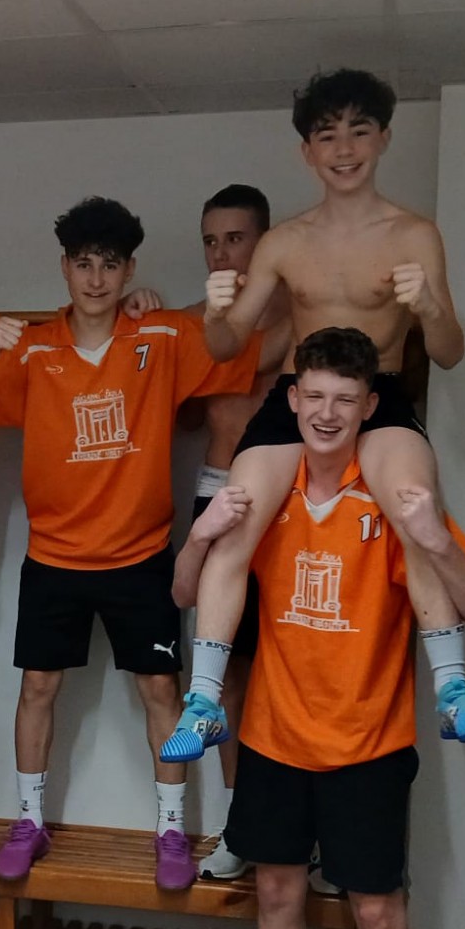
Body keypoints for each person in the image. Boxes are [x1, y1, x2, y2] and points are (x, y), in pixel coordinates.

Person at [175, 327, 465, 929]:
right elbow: (186, 591)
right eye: (313, 396)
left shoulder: (392, 495)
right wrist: (201, 534)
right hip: (275, 736)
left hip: (368, 742)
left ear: (368, 409)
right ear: (292, 400)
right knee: (276, 896)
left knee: (381, 917)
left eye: (344, 401)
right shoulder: (266, 488)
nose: (326, 413)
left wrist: (437, 537)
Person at [164, 68, 465, 777]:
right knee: (237, 514)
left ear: (383, 139)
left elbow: (448, 352)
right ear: (307, 152)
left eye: (358, 131)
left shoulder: (414, 234)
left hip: (378, 394)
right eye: (327, 135)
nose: (344, 148)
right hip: (300, 394)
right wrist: (216, 310)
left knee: (413, 509)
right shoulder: (285, 242)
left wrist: (429, 307)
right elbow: (227, 347)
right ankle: (203, 699)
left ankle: (451, 688)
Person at [0, 197, 252, 891]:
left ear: (129, 270)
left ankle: (170, 830)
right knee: (38, 687)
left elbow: (236, 347)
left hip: (141, 554)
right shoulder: (32, 348)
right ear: (64, 267)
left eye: (109, 265)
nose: (95, 278)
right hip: (54, 555)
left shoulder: (161, 335)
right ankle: (29, 821)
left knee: (160, 689)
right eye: (83, 264)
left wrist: (194, 306)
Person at [187, 184, 294, 882]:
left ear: (266, 241)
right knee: (221, 676)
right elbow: (182, 389)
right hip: (216, 490)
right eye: (212, 241)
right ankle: (238, 825)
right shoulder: (198, 319)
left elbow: (240, 360)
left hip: (287, 503)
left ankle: (297, 828)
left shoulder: (300, 311)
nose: (223, 253)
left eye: (236, 238)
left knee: (287, 671)